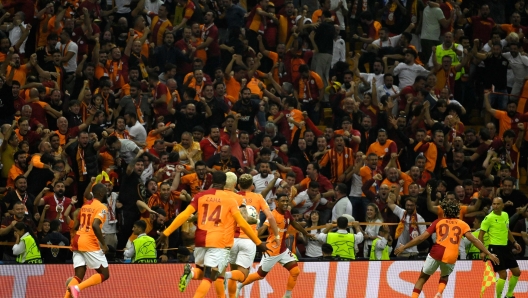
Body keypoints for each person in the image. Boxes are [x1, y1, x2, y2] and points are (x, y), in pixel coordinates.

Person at [156, 171, 269, 298]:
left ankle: (191, 273)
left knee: (201, 271)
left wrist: (167, 232)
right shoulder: (232, 199)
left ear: (212, 182)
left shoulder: (200, 195)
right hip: (219, 242)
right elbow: (242, 223)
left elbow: (185, 214)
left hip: (200, 240)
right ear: (226, 183)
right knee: (209, 277)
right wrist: (258, 242)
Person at [395, 199, 499, 298]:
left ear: (445, 211)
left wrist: (404, 246)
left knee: (422, 278)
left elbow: (422, 237)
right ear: (457, 213)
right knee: (444, 276)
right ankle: (439, 292)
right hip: (451, 255)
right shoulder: (463, 224)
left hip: (437, 252)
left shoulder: (438, 221)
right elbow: (475, 240)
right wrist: (489, 253)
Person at [237, 194, 314, 298]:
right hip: (272, 250)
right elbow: (263, 229)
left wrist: (305, 233)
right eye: (283, 201)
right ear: (276, 203)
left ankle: (287, 295)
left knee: (295, 271)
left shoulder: (287, 213)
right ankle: (240, 285)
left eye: (287, 201)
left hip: (283, 250)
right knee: (260, 275)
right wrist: (250, 235)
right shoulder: (272, 215)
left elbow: (294, 223)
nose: (285, 203)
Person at [225, 173, 279, 298]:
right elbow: (270, 216)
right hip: (249, 240)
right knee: (241, 275)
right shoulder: (258, 197)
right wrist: (276, 235)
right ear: (252, 186)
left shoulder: (233, 197)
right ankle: (224, 275)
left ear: (238, 185)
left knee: (234, 272)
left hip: (232, 239)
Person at [65, 183, 110, 298]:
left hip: (77, 240)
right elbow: (95, 225)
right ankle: (77, 288)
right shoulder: (102, 207)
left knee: (78, 275)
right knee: (104, 274)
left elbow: (76, 225)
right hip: (89, 242)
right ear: (100, 193)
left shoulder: (85, 205)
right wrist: (104, 245)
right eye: (105, 191)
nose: (107, 193)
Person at [479, 197, 522, 298]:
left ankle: (509, 294)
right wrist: (482, 251)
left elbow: (507, 231)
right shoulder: (488, 218)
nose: (495, 206)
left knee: (517, 272)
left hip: (506, 248)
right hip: (494, 249)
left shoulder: (505, 215)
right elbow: (480, 235)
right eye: (494, 204)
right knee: (503, 275)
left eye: (498, 204)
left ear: (502, 205)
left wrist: (514, 242)